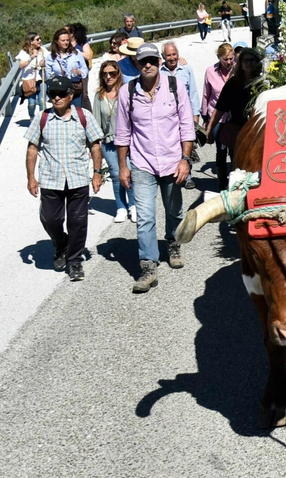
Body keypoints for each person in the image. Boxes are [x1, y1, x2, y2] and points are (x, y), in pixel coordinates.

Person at [115, 42, 196, 293]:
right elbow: (122, 133)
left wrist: (185, 159)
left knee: (174, 210)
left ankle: (173, 243)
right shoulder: (127, 92)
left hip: (173, 161)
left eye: (152, 60)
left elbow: (186, 126)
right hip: (142, 163)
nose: (148, 65)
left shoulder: (175, 87)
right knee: (145, 217)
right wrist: (123, 167)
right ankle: (148, 265)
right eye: (143, 61)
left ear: (160, 62)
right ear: (137, 65)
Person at [26, 76, 104, 282]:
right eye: (52, 94)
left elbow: (95, 144)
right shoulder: (42, 118)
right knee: (50, 219)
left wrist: (97, 172)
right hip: (51, 179)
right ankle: (61, 244)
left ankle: (74, 260)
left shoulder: (83, 116)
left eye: (61, 94)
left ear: (71, 95)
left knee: (78, 221)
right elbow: (32, 148)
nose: (57, 97)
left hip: (77, 178)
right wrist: (30, 178)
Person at [208, 47, 262, 188]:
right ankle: (232, 192)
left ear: (257, 63)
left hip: (258, 133)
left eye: (252, 60)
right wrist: (209, 130)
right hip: (238, 133)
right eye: (245, 60)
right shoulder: (233, 84)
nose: (249, 63)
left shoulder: (262, 84)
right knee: (238, 166)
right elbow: (219, 109)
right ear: (240, 63)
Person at [92, 60, 133, 222]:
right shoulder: (99, 96)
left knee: (128, 172)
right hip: (108, 142)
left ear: (118, 75)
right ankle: (121, 207)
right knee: (116, 174)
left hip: (126, 141)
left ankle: (134, 205)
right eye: (105, 74)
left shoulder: (125, 92)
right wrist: (95, 145)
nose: (108, 77)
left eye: (112, 73)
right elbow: (95, 121)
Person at [202, 43, 235, 179]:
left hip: (234, 118)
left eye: (231, 59)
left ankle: (235, 180)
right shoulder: (210, 71)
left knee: (235, 151)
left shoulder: (238, 70)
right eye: (225, 59)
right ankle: (221, 183)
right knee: (221, 150)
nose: (228, 62)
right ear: (219, 58)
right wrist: (205, 118)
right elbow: (206, 95)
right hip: (217, 117)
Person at [46, 25, 89, 110]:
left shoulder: (76, 53)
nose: (66, 42)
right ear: (57, 41)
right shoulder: (51, 57)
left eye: (67, 40)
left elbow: (85, 69)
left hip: (74, 89)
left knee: (76, 111)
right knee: (62, 113)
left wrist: (79, 72)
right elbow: (48, 76)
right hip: (59, 91)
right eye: (63, 40)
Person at [15, 32, 45, 121]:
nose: (40, 41)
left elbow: (50, 58)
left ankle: (42, 120)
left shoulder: (43, 50)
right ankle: (32, 117)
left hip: (42, 79)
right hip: (29, 80)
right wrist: (31, 58)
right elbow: (21, 65)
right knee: (31, 103)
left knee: (42, 101)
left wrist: (44, 63)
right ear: (31, 41)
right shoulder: (24, 52)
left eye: (40, 39)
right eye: (37, 39)